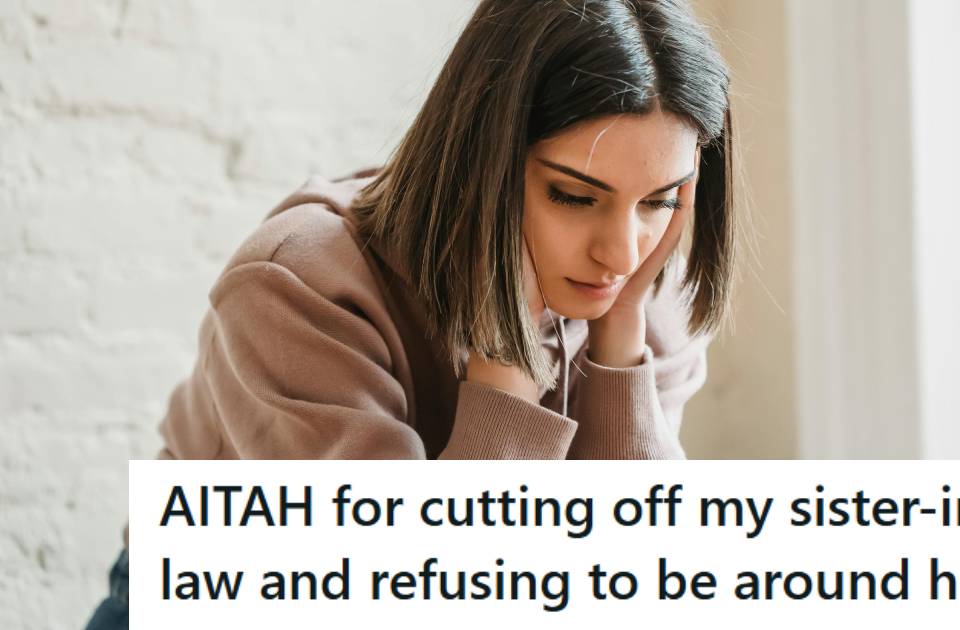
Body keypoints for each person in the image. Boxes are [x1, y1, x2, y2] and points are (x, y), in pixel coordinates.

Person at [85, 0, 736, 626]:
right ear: (484, 157)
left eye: (660, 199)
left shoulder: (645, 287)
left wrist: (619, 342)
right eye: (573, 195)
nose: (622, 252)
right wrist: (504, 355)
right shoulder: (300, 284)